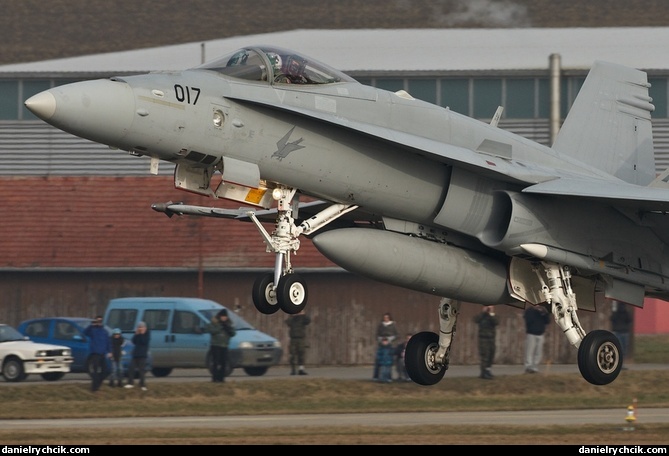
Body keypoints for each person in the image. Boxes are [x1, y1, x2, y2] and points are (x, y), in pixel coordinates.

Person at [205, 309, 236, 382]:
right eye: (222, 316)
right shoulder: (214, 323)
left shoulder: (229, 323)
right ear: (219, 316)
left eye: (225, 317)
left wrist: (228, 329)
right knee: (215, 362)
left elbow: (233, 333)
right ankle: (215, 378)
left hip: (224, 345)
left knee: (223, 362)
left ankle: (221, 378)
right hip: (215, 345)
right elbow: (211, 330)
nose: (224, 318)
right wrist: (220, 327)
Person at [83, 315, 111, 392]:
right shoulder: (92, 330)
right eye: (97, 321)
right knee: (95, 371)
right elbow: (85, 332)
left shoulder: (104, 331)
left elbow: (108, 342)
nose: (99, 322)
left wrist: (110, 351)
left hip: (103, 354)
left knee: (105, 371)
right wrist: (91, 325)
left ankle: (97, 384)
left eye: (100, 321)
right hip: (95, 353)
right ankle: (94, 388)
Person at [523, 303, 551, 374]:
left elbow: (547, 321)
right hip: (531, 333)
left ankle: (534, 367)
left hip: (540, 334)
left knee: (538, 352)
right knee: (529, 351)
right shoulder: (529, 311)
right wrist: (536, 312)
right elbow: (528, 320)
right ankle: (528, 367)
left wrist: (544, 313)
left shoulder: (542, 312)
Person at [473, 305, 498, 380]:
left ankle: (488, 370)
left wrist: (491, 313)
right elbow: (476, 320)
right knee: (485, 356)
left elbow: (496, 322)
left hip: (491, 339)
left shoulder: (493, 316)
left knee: (491, 355)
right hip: (483, 339)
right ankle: (483, 373)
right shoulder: (482, 316)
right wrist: (483, 312)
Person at [124, 321, 151, 391]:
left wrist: (142, 334)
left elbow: (144, 342)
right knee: (131, 368)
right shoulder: (138, 334)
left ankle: (142, 384)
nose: (140, 328)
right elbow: (133, 341)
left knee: (141, 370)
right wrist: (136, 334)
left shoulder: (147, 334)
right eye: (139, 327)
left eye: (141, 327)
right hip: (135, 354)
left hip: (142, 355)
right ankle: (130, 383)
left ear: (145, 328)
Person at [373, 312, 398, 380]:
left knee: (388, 361)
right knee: (378, 359)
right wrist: (380, 339)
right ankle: (376, 376)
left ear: (389, 318)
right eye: (384, 317)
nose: (385, 319)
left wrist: (390, 339)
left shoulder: (393, 325)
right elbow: (377, 334)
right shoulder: (381, 325)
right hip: (381, 343)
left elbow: (396, 335)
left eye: (387, 317)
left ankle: (388, 377)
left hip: (389, 344)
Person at [285, 309, 311, 375]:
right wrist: (292, 315)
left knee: (301, 354)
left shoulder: (302, 318)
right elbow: (288, 322)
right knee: (292, 355)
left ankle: (301, 370)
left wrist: (303, 314)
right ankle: (293, 370)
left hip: (301, 338)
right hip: (293, 339)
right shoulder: (292, 318)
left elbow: (308, 321)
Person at [610, 301, 633, 365]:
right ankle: (621, 364)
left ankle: (619, 364)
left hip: (618, 331)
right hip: (624, 332)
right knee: (623, 349)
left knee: (619, 349)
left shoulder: (616, 313)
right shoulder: (626, 313)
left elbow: (612, 319)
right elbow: (629, 320)